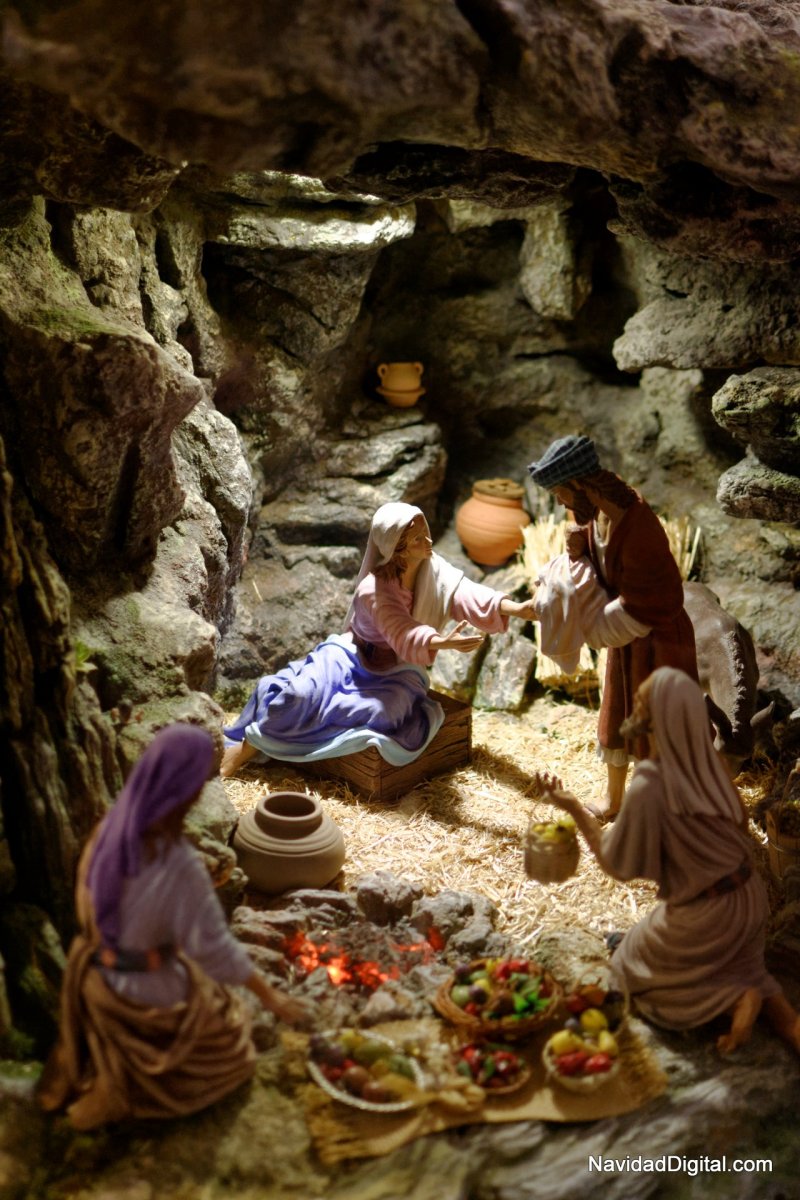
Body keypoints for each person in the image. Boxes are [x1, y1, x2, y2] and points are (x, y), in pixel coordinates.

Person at [38, 724, 309, 1130]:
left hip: (94, 978)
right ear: (188, 792)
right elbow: (215, 951)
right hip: (142, 992)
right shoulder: (178, 865)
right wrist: (273, 999)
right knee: (234, 1041)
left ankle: (97, 1070)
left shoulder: (107, 834)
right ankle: (126, 1089)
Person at [532, 668, 800, 1057]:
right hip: (748, 899)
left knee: (628, 968)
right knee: (742, 962)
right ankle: (779, 1014)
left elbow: (615, 865)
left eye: (642, 704)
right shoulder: (712, 766)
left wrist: (571, 805)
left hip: (707, 914)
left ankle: (730, 1000)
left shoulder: (650, 784)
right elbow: (740, 829)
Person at [221, 502, 537, 777]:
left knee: (384, 717)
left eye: (425, 533)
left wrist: (518, 609)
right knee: (298, 695)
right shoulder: (374, 589)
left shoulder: (433, 570)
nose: (428, 541)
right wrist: (443, 643)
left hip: (397, 669)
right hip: (350, 657)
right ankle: (248, 748)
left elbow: (468, 594)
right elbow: (399, 629)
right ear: (397, 548)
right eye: (417, 539)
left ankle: (318, 737)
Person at [528, 434, 698, 820]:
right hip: (627, 641)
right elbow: (597, 564)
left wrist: (589, 629)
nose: (560, 502)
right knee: (617, 719)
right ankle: (615, 799)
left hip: (659, 640)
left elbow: (652, 602)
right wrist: (576, 551)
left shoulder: (638, 527)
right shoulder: (594, 512)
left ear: (579, 483)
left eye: (560, 493)